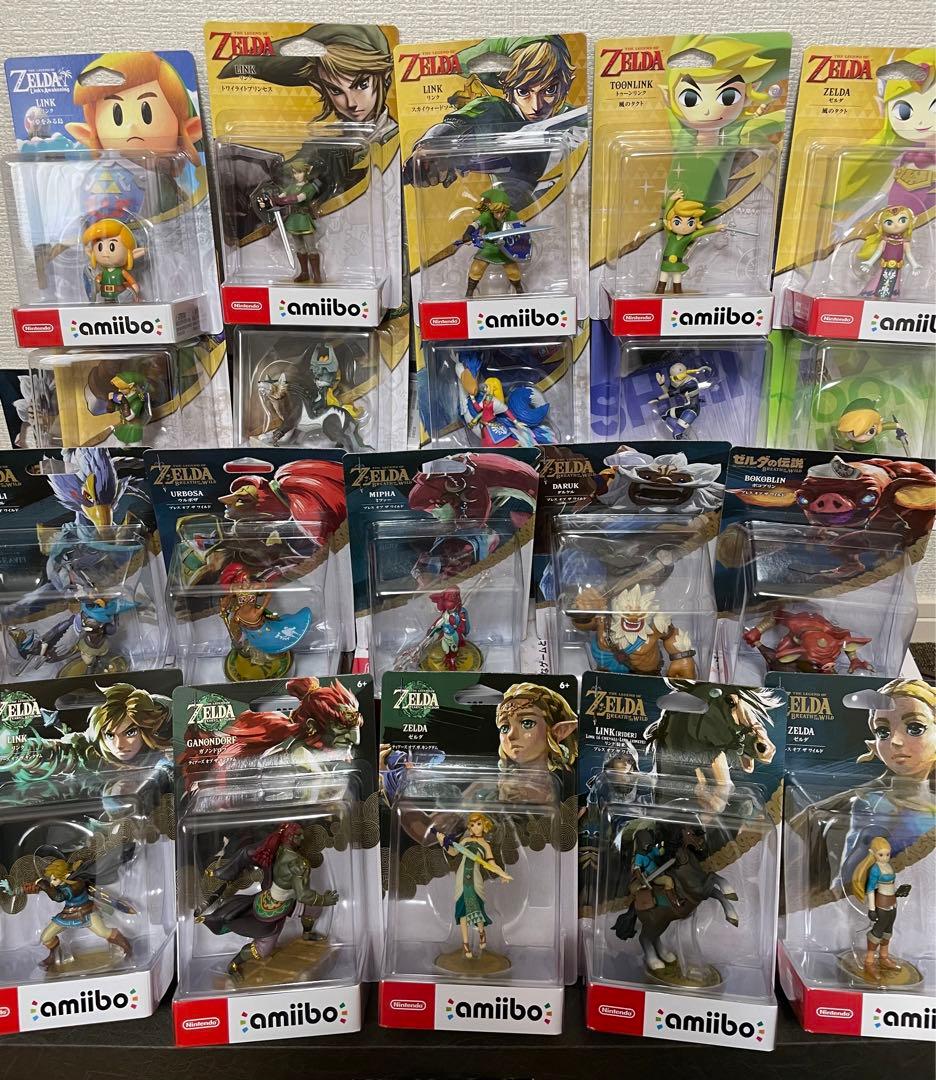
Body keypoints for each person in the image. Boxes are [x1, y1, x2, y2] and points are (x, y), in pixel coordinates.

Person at [436, 813, 512, 960]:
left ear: (484, 825)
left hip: (475, 878)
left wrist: (502, 873)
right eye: (472, 825)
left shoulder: (485, 845)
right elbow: (453, 852)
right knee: (462, 910)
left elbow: (492, 863)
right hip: (461, 877)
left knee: (476, 906)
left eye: (478, 824)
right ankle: (465, 944)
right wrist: (442, 842)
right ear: (469, 827)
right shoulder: (465, 841)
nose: (475, 827)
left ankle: (482, 932)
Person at [495, 682, 578, 773]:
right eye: (504, 728)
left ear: (559, 731)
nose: (511, 735)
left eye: (527, 723)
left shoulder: (566, 778)